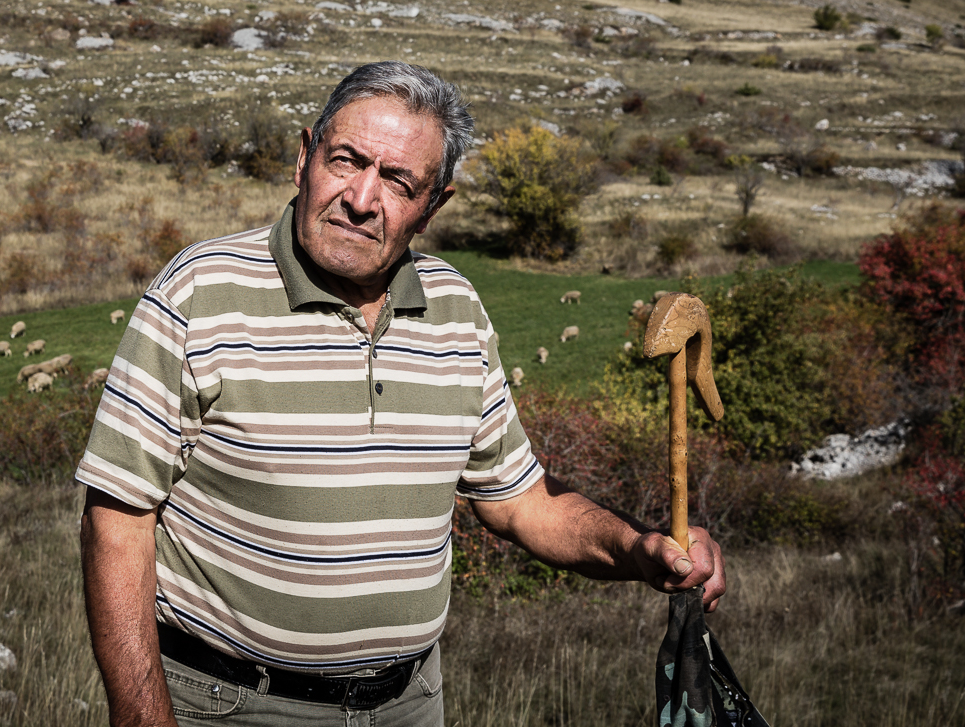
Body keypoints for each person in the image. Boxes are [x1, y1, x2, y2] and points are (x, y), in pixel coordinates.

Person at [78, 61, 725, 726]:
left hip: (409, 706)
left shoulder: (456, 309)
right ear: (304, 159)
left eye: (397, 181)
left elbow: (523, 504)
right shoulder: (199, 292)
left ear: (431, 207)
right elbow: (117, 518)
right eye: (346, 161)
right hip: (233, 705)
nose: (361, 197)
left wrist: (638, 547)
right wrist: (141, 717)